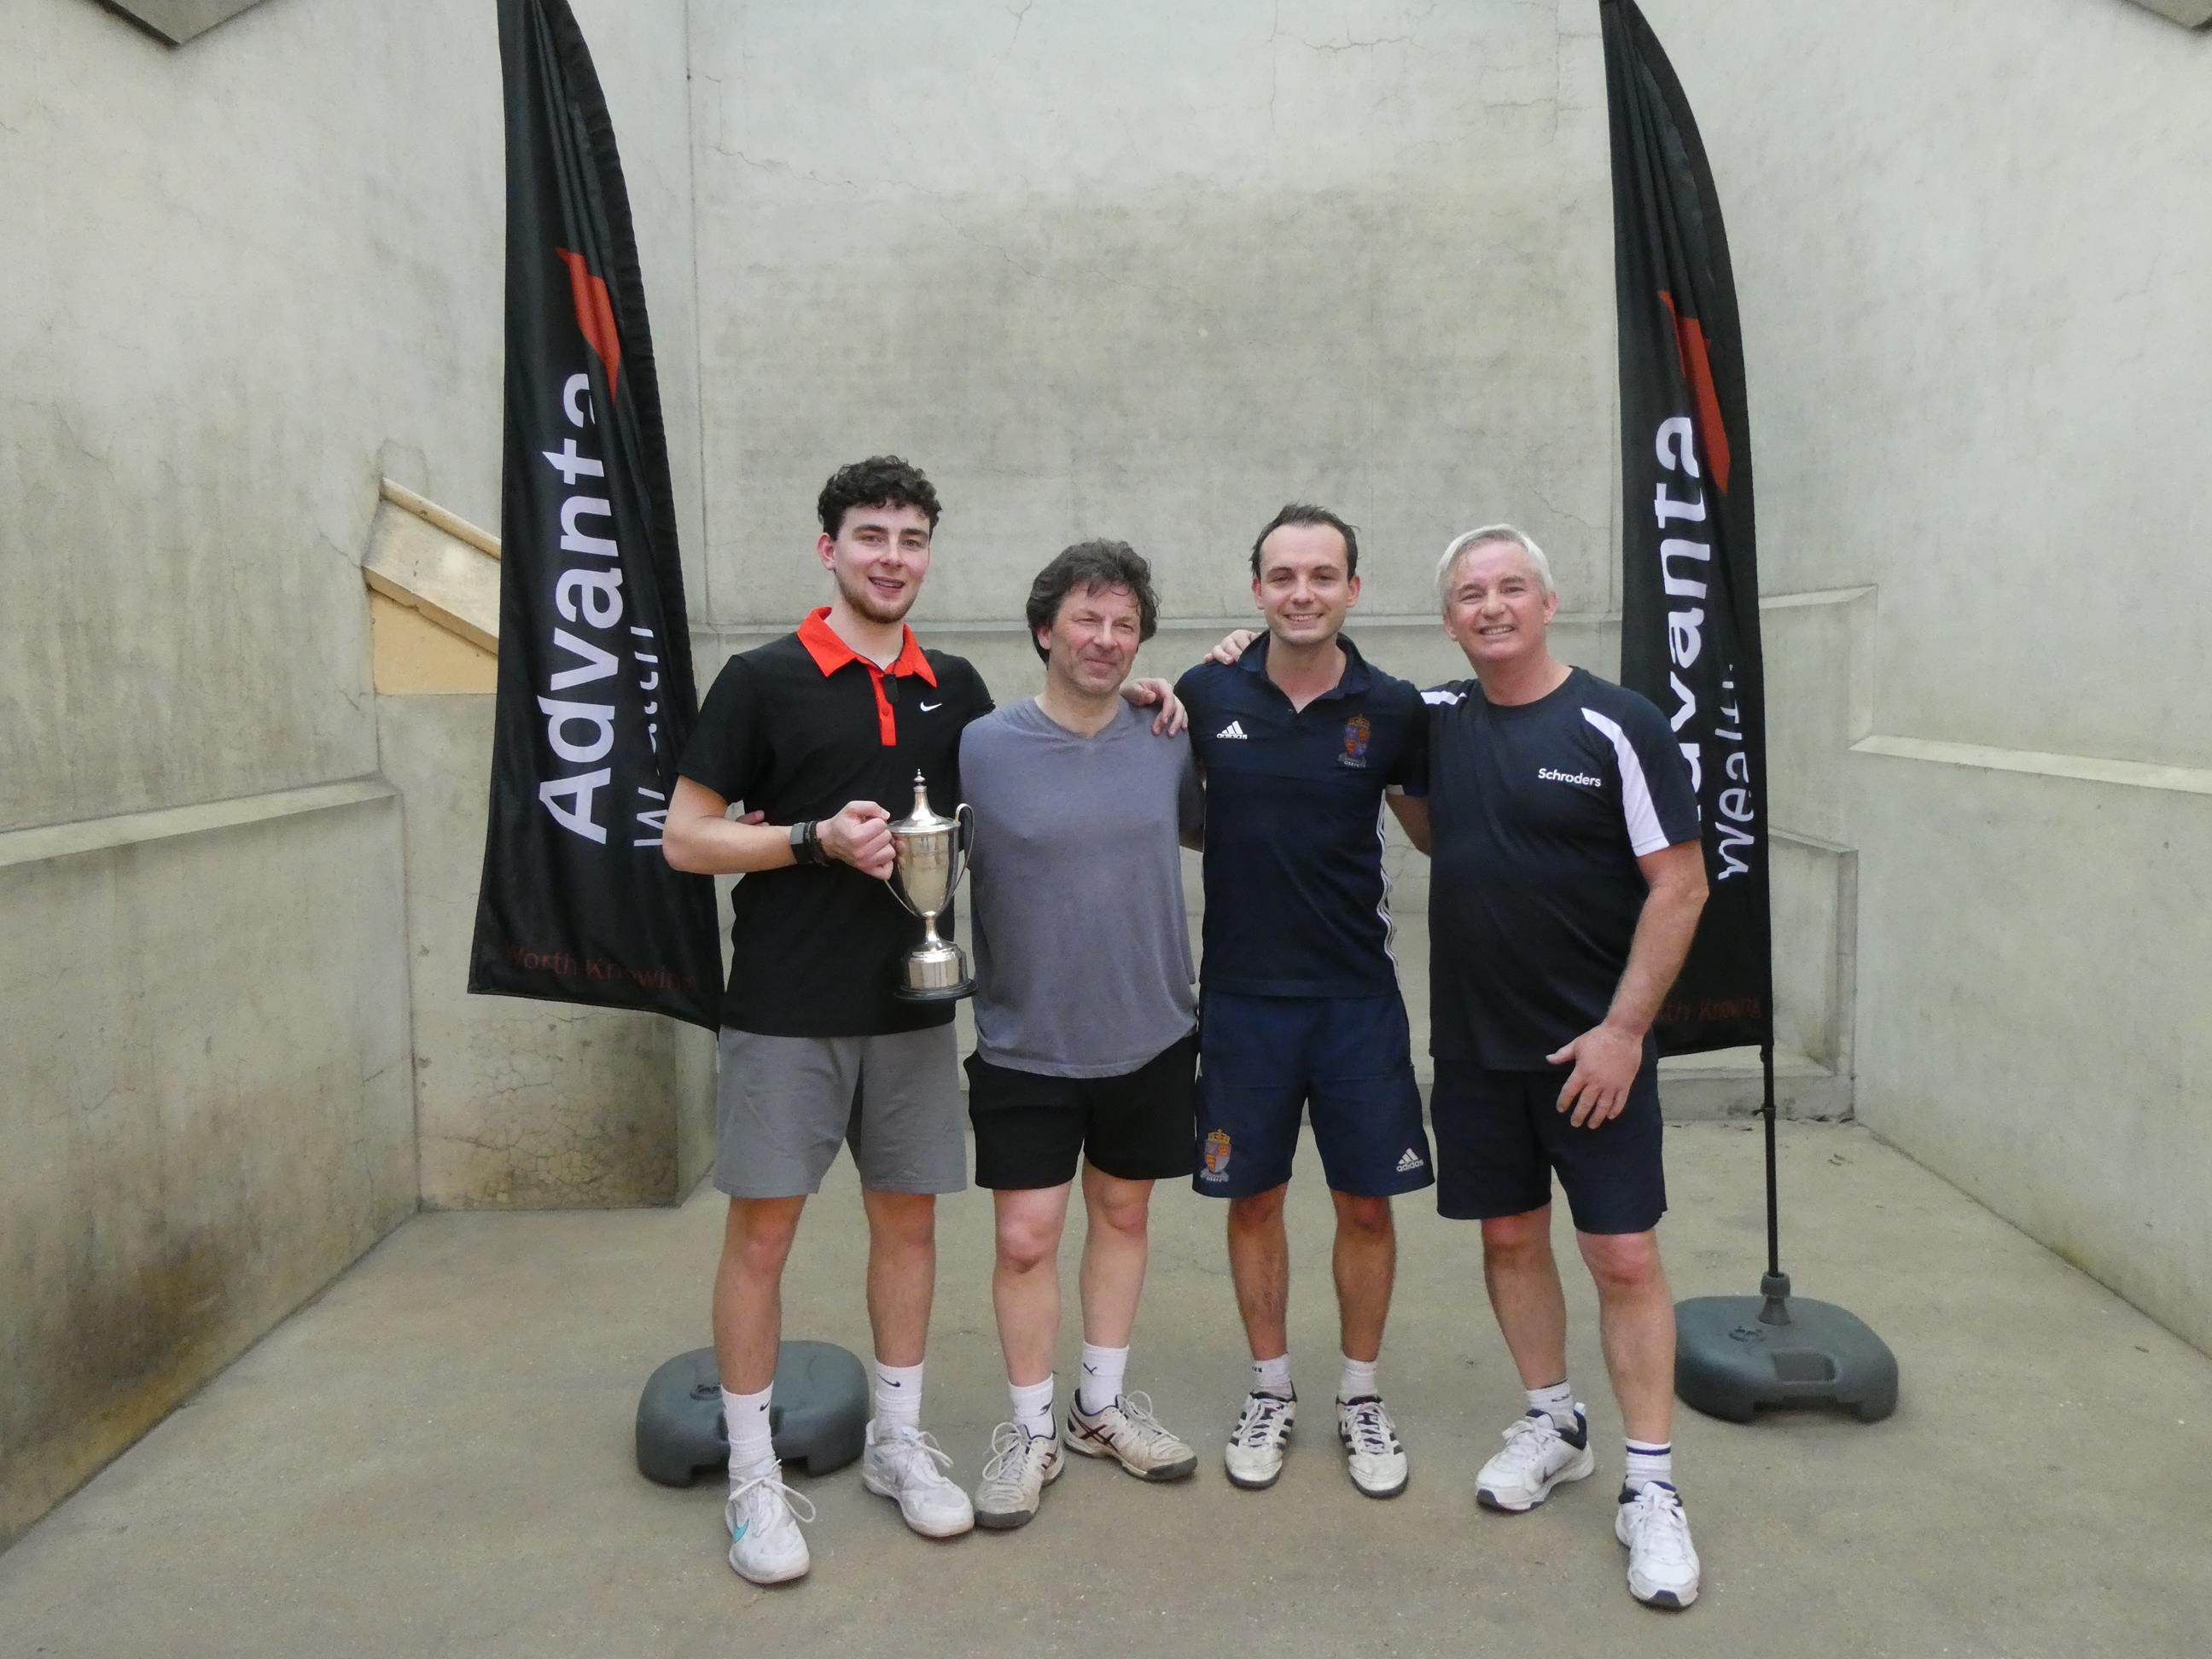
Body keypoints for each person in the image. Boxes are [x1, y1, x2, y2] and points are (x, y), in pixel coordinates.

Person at [661, 458, 1181, 1586]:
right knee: (761, 1239)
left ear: (928, 553)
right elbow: (686, 838)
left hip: (916, 1012)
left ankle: (899, 1441)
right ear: (829, 550)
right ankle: (755, 1477)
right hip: (786, 1014)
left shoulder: (957, 691)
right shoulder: (760, 680)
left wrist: (1141, 694)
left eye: (910, 539)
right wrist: (810, 839)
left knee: (910, 1232)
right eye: (870, 537)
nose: (891, 557)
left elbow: (1049, 759)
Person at [1394, 524, 1710, 1610]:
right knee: (1510, 1237)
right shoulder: (1432, 717)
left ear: (1547, 600)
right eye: (1470, 594)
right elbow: (1423, 816)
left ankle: (1652, 1486)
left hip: (1595, 1052)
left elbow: (1681, 885)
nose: (1491, 607)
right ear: (1449, 617)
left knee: (1622, 1256)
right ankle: (1554, 1422)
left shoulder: (1618, 723)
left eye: (1510, 588)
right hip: (1479, 1048)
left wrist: (1625, 1030)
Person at [1173, 504, 1434, 1501]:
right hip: (1243, 999)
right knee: (1257, 1198)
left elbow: (1430, 833)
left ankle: (1360, 1397)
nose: (1302, 592)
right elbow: (1194, 816)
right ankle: (1271, 1389)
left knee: (1366, 1203)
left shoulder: (1395, 707)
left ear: (1353, 590)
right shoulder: (1205, 691)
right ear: (1256, 590)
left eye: (1322, 575)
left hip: (1357, 1000)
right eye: (1283, 576)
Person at [958, 540, 1205, 1530]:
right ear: (1044, 629)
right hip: (1024, 1039)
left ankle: (1099, 1409)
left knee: (1125, 1217)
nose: (1105, 639)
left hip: (1149, 1031)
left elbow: (1214, 822)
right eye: (1087, 619)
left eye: (1124, 624)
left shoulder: (1169, 734)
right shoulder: (980, 745)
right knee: (1025, 1240)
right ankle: (1028, 1430)